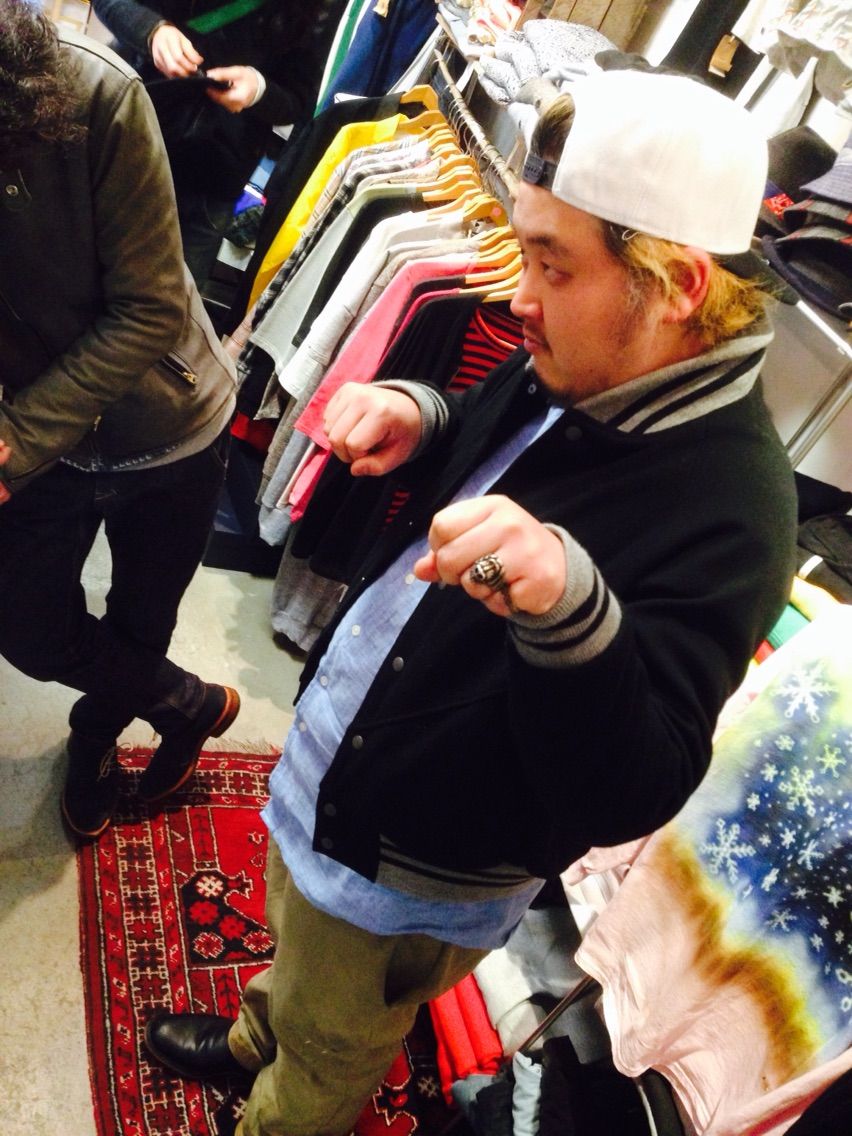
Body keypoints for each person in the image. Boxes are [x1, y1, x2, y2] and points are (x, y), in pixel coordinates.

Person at [145, 71, 799, 1136]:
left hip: (420, 856)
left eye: (552, 264)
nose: (517, 297)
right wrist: (425, 419)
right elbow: (504, 435)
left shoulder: (735, 505)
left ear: (677, 283)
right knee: (301, 957)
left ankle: (282, 1106)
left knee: (335, 1038)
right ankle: (262, 1032)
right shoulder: (595, 356)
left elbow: (637, 781)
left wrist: (568, 606)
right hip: (355, 761)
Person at [0, 2, 241, 840]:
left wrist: (15, 440)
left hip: (168, 422)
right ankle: (189, 704)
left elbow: (149, 309)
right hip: (43, 434)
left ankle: (96, 739)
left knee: (144, 612)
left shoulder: (93, 90)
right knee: (28, 626)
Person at [91, 0, 346, 287]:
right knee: (78, 280)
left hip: (213, 179)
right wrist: (152, 31)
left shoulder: (321, 7)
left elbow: (297, 99)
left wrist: (259, 89)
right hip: (123, 144)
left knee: (169, 301)